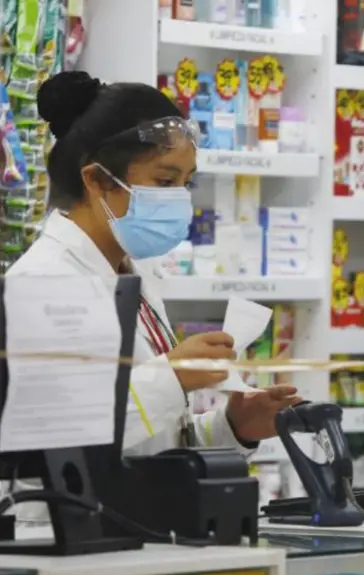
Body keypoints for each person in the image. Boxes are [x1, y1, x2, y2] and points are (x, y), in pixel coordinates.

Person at [8, 71, 302, 462]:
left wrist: (233, 427)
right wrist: (173, 377)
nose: (180, 199)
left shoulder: (133, 276)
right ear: (96, 180)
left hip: (140, 516)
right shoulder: (43, 284)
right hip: (58, 523)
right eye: (164, 181)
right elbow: (49, 444)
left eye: (187, 183)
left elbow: (153, 440)